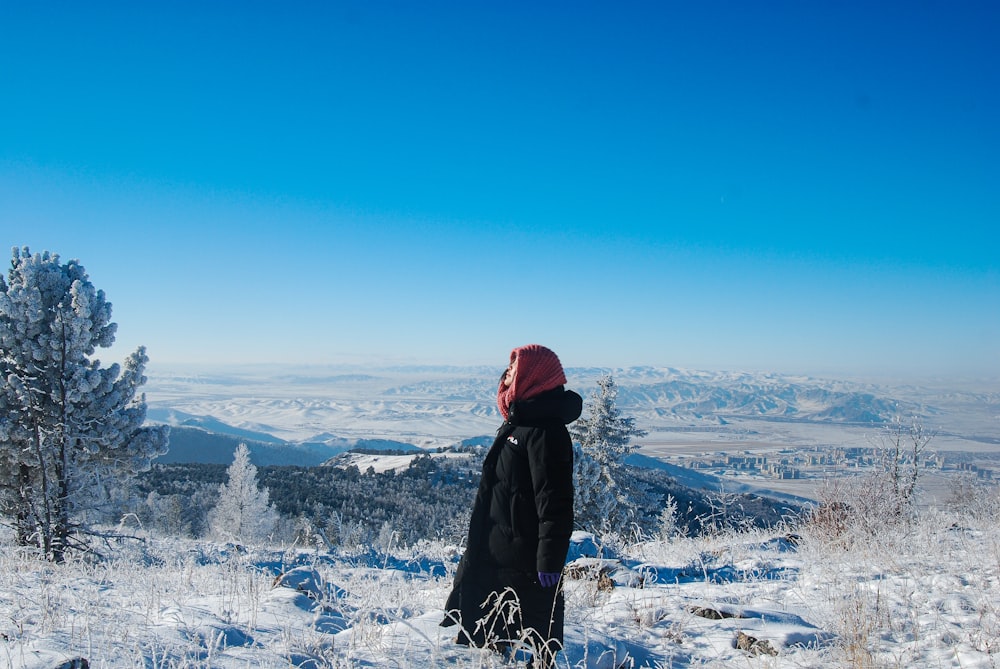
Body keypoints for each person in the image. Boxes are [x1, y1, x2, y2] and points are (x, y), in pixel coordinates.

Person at [442, 344, 582, 668]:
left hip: (524, 562)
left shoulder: (545, 432)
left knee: (532, 644)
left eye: (514, 371)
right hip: (499, 555)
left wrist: (549, 562)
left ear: (534, 377)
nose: (506, 375)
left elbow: (556, 504)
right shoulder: (520, 421)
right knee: (490, 642)